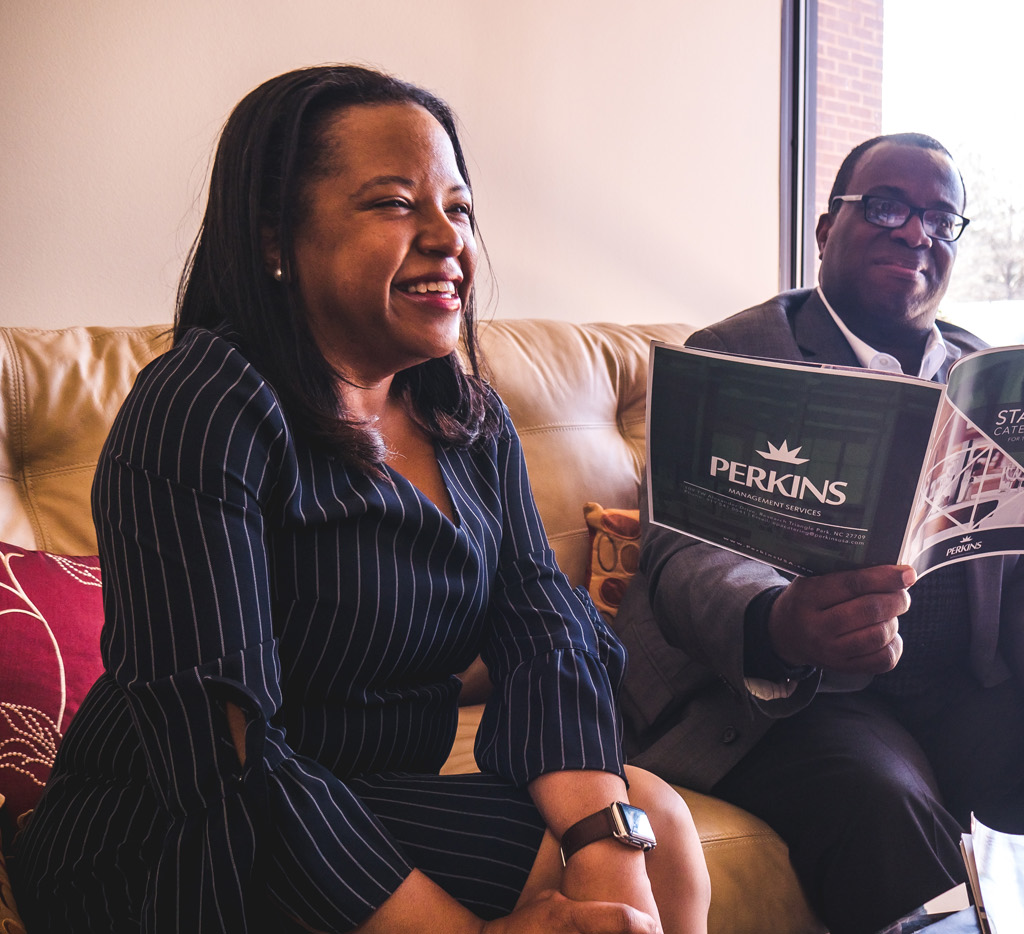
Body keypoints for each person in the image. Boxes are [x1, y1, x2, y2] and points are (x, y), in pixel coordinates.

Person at [11, 65, 708, 934]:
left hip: (361, 796)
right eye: (394, 203)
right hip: (177, 829)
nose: (447, 238)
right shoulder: (204, 404)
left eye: (459, 208)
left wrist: (606, 847)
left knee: (655, 829)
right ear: (275, 238)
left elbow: (545, 632)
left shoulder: (465, 417)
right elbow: (220, 746)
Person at [612, 132, 1024, 934]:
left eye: (941, 220)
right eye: (886, 208)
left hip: (963, 686)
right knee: (883, 801)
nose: (915, 233)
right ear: (826, 230)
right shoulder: (735, 356)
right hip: (801, 702)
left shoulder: (987, 377)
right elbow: (683, 551)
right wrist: (779, 622)